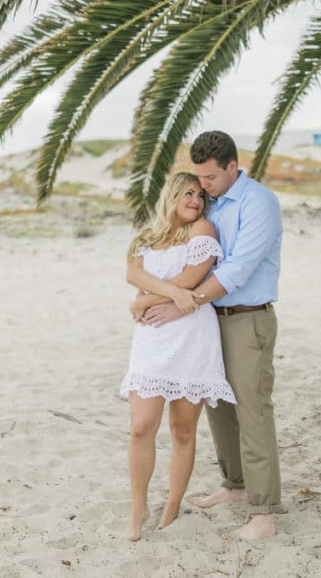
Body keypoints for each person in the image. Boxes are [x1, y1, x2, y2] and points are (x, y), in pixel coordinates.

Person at [140, 131, 283, 541]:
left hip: (246, 318)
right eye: (198, 179)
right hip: (208, 318)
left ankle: (263, 513)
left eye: (210, 178)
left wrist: (184, 300)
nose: (202, 187)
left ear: (232, 167)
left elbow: (237, 269)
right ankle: (236, 486)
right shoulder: (211, 202)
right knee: (218, 405)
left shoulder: (259, 203)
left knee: (253, 411)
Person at [121, 171, 236, 542]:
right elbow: (131, 273)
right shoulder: (145, 239)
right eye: (188, 193)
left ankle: (172, 504)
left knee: (182, 430)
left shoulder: (203, 230)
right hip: (152, 340)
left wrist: (145, 299)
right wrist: (155, 297)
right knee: (141, 427)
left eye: (201, 196)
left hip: (192, 337)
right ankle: (139, 505)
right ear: (171, 195)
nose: (196, 201)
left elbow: (192, 278)